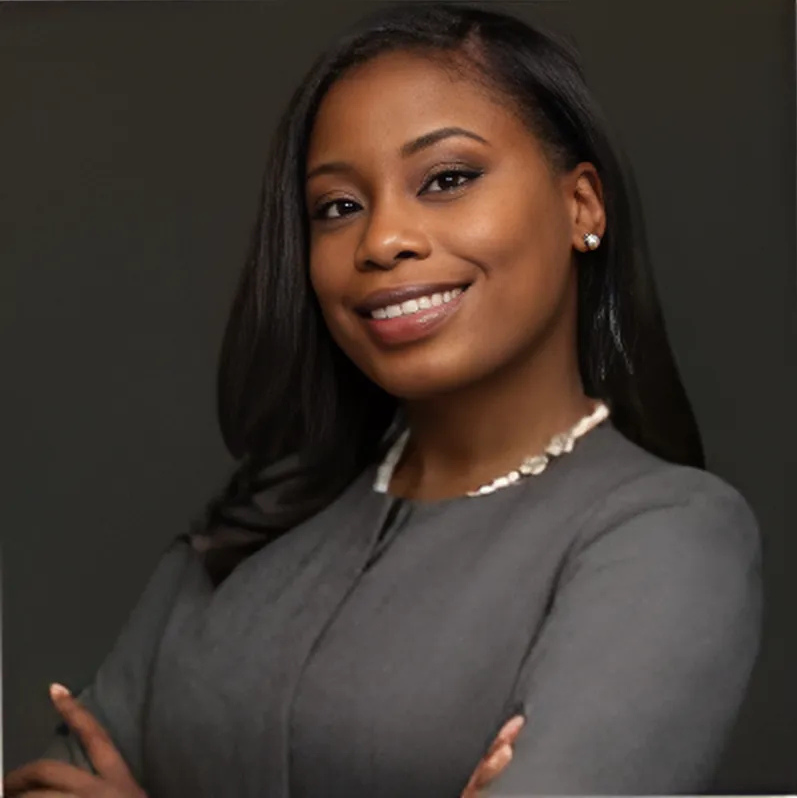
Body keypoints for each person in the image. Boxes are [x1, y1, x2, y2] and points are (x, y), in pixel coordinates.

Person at [5, 3, 762, 797]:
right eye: (338, 206)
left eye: (447, 179)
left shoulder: (667, 537)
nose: (380, 241)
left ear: (580, 206)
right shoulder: (257, 523)